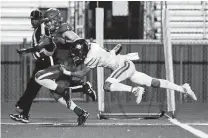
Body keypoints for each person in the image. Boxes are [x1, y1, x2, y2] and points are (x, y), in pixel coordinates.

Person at [36, 38, 197, 109]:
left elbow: (80, 75)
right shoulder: (91, 46)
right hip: (123, 65)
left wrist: (66, 72)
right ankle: (183, 88)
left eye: (78, 54)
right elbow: (80, 45)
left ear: (84, 51)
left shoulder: (91, 56)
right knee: (153, 82)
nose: (76, 57)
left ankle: (135, 90)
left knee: (107, 86)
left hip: (124, 66)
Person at [9, 9, 96, 124]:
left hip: (63, 66)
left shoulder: (63, 29)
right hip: (59, 65)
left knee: (38, 77)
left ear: (56, 19)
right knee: (56, 94)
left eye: (49, 21)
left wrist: (64, 41)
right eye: (46, 22)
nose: (47, 24)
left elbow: (80, 42)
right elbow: (48, 50)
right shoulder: (53, 33)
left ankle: (82, 87)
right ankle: (81, 112)